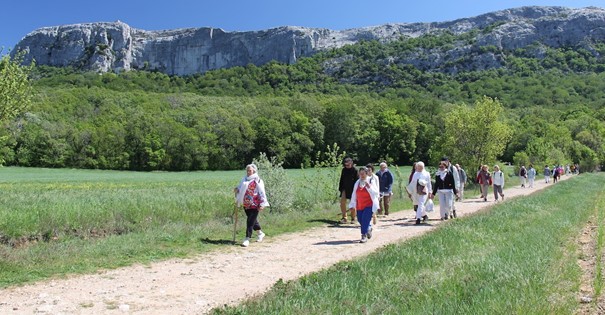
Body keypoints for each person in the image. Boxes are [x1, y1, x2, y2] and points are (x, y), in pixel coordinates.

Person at [234, 164, 270, 247]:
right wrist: (237, 189)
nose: (248, 172)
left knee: (250, 221)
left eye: (250, 170)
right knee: (252, 220)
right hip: (246, 203)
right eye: (247, 170)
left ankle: (247, 238)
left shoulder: (258, 180)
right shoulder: (244, 179)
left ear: (254, 171)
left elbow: (262, 192)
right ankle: (260, 233)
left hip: (255, 204)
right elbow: (240, 188)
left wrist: (263, 203)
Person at [349, 167, 380, 243]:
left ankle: (363, 235)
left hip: (369, 205)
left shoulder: (371, 181)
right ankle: (368, 228)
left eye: (363, 173)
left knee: (365, 219)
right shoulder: (357, 182)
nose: (362, 175)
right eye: (360, 173)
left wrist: (369, 187)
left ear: (367, 173)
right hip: (359, 205)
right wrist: (352, 205)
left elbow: (376, 193)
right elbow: (354, 194)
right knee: (360, 219)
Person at [338, 157, 358, 224]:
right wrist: (340, 188)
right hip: (344, 188)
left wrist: (356, 190)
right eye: (345, 165)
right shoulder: (344, 170)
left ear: (351, 163)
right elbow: (342, 179)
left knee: (352, 204)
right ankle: (344, 218)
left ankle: (353, 218)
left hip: (353, 189)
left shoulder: (355, 170)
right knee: (342, 203)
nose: (347, 166)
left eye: (348, 165)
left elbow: (357, 181)